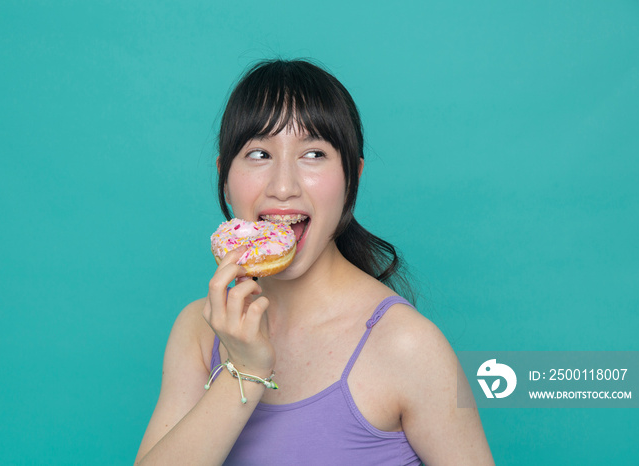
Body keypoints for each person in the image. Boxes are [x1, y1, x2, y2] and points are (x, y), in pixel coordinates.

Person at [135, 59, 494, 465]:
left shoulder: (407, 347)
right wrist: (246, 371)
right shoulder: (200, 332)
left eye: (313, 153)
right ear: (224, 177)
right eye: (258, 153)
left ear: (352, 178)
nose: (283, 187)